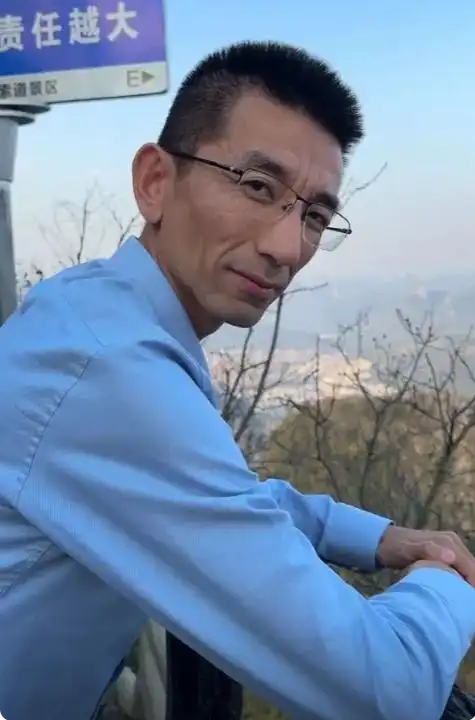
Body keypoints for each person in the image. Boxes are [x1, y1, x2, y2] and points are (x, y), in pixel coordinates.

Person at [1, 41, 475, 720]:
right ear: (155, 182)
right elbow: (383, 690)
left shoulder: (101, 314)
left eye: (314, 216)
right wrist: (444, 581)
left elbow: (213, 494)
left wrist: (377, 539)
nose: (287, 247)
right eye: (256, 186)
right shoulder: (107, 369)